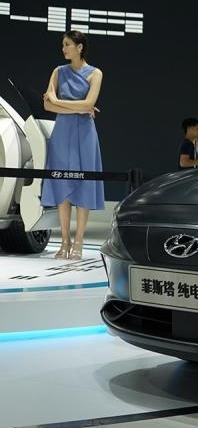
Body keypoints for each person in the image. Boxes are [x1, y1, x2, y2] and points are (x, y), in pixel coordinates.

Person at [41, 30, 104, 260]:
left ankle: (79, 241)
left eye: (67, 44)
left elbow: (89, 103)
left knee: (84, 184)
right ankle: (65, 241)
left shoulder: (95, 73)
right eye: (63, 45)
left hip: (85, 134)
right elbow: (48, 106)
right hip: (62, 133)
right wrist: (78, 107)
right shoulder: (58, 72)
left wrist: (60, 102)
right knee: (61, 184)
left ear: (80, 47)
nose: (64, 48)